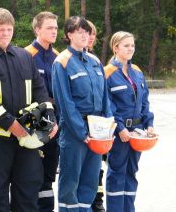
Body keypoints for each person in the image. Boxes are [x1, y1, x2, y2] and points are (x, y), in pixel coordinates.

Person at [0, 8, 58, 211]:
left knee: (29, 189)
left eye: (9, 29)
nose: (5, 34)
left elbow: (40, 91)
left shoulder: (24, 56)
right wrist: (10, 123)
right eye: (0, 30)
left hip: (27, 138)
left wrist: (49, 120)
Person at [52, 16, 112, 211]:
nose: (85, 35)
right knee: (70, 183)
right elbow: (65, 103)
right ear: (69, 35)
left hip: (96, 130)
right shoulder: (61, 62)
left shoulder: (95, 61)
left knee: (90, 181)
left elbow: (104, 97)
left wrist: (108, 126)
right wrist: (81, 132)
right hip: (74, 132)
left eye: (87, 32)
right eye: (80, 32)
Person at [104, 31, 154, 212]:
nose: (130, 49)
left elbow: (145, 102)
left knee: (131, 173)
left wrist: (149, 124)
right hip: (120, 135)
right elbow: (107, 106)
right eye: (126, 45)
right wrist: (120, 128)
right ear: (115, 48)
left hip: (137, 133)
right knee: (117, 173)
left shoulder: (138, 72)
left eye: (132, 45)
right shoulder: (108, 73)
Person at [25, 11, 60, 212]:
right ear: (37, 29)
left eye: (56, 28)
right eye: (49, 27)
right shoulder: (26, 54)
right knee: (31, 175)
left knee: (49, 175)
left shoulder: (58, 57)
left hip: (55, 121)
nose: (54, 31)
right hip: (36, 120)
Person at [87, 20, 106, 212]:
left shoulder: (95, 60)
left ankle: (97, 201)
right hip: (82, 124)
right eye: (87, 33)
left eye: (93, 34)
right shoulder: (69, 59)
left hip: (98, 123)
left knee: (97, 167)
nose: (91, 37)